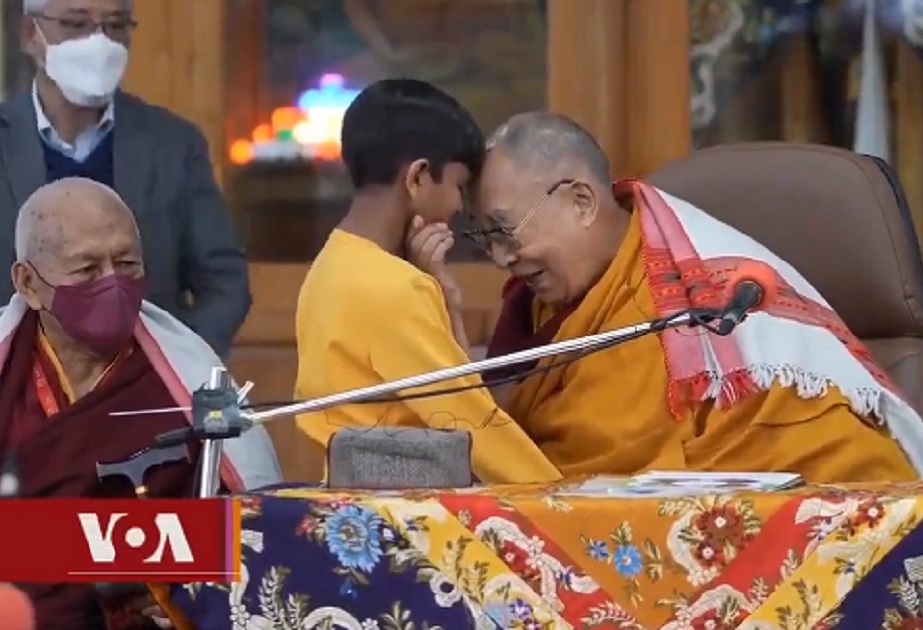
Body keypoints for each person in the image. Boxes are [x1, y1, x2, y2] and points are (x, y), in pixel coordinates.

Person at [474, 112, 923, 482]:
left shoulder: (713, 300)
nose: (501, 258)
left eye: (506, 231)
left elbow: (841, 473)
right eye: (486, 238)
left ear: (581, 202)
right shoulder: (536, 308)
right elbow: (514, 455)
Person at [0, 177, 281, 630]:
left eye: (127, 263)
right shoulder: (7, 373)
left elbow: (251, 533)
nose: (112, 284)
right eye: (87, 270)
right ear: (28, 282)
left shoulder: (186, 378)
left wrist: (184, 588)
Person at [293, 79, 560, 484]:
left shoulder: (330, 266)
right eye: (457, 187)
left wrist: (445, 297)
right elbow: (470, 423)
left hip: (348, 502)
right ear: (417, 177)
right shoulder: (393, 288)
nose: (458, 207)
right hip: (406, 515)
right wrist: (558, 498)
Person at [0, 0, 251, 357]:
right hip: (17, 387)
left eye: (115, 26)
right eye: (76, 24)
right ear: (30, 34)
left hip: (145, 386)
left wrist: (179, 362)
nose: (99, 42)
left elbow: (224, 281)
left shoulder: (173, 143)